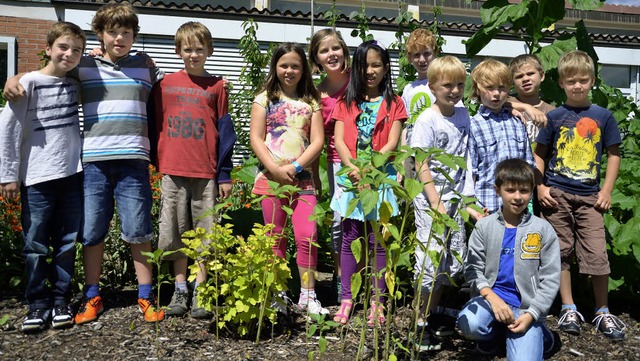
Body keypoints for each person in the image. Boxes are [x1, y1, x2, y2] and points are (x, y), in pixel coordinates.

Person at [3, 3, 167, 324]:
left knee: (138, 230)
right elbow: (50, 72)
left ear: (134, 35)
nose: (119, 37)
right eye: (112, 31)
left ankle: (145, 298)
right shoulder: (84, 65)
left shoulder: (147, 66)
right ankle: (92, 297)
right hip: (93, 162)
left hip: (134, 160)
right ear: (101, 34)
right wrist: (17, 76)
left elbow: (169, 94)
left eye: (126, 32)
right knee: (92, 232)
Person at [0, 22, 85, 333]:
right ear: (48, 49)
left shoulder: (76, 83)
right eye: (63, 47)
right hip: (36, 176)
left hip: (72, 174)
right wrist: (8, 174)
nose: (70, 54)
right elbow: (8, 130)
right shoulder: (28, 84)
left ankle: (61, 299)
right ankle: (37, 304)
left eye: (77, 50)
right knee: (35, 244)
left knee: (66, 242)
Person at [534, 50, 625, 340]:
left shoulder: (603, 116)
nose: (577, 86)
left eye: (583, 80)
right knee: (560, 252)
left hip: (590, 197)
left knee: (598, 253)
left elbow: (613, 155)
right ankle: (568, 307)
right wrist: (539, 187)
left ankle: (602, 310)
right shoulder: (554, 117)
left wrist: (607, 190)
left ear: (593, 81)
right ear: (561, 83)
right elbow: (540, 156)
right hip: (557, 195)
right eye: (571, 81)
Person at [151, 22, 235, 319]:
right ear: (178, 51)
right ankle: (180, 289)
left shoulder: (217, 86)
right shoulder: (164, 85)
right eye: (188, 49)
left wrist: (224, 172)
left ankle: (201, 289)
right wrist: (155, 159)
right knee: (174, 231)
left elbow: (226, 132)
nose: (194, 54)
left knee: (205, 233)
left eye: (200, 49)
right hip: (173, 169)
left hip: (205, 170)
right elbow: (152, 123)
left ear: (209, 51)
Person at [409, 56, 485, 351]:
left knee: (450, 262)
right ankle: (418, 325)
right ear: (432, 87)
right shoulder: (427, 120)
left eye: (459, 85)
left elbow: (465, 160)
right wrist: (435, 202)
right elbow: (421, 164)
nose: (454, 91)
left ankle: (431, 316)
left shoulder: (463, 115)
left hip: (455, 198)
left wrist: (467, 199)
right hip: (432, 200)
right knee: (429, 262)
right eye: (447, 85)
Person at [330, 40, 406, 326]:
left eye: (376, 65)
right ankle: (347, 298)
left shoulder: (395, 103)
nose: (370, 71)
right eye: (364, 66)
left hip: (380, 180)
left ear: (386, 68)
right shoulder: (345, 102)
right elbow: (339, 141)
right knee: (350, 239)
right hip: (352, 179)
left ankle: (377, 301)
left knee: (379, 242)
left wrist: (371, 170)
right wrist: (353, 167)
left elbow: (392, 143)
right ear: (356, 69)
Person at [249, 42, 327, 315]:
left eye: (295, 65)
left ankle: (307, 294)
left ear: (303, 68)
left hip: (302, 180)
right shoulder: (264, 100)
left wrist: (294, 167)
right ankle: (278, 293)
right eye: (284, 65)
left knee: (308, 236)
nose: (289, 71)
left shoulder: (311, 102)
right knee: (275, 238)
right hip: (270, 180)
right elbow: (256, 139)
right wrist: (274, 168)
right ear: (275, 68)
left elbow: (317, 142)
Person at [457, 158, 560, 360]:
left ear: (532, 192)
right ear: (498, 190)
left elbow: (551, 277)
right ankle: (493, 336)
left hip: (526, 307)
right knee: (469, 322)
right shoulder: (485, 226)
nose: (518, 197)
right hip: (492, 300)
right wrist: (492, 298)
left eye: (524, 191)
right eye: (510, 190)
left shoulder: (542, 229)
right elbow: (472, 268)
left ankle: (542, 335)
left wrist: (532, 313)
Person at [308, 28, 351, 302]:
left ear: (344, 50)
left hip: (368, 162)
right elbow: (315, 138)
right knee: (339, 222)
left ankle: (367, 283)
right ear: (317, 59)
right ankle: (341, 279)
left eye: (335, 48)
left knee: (366, 225)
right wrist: (316, 175)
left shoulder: (358, 80)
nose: (331, 54)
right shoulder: (317, 93)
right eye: (324, 51)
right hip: (336, 164)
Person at [468, 58, 536, 215]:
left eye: (502, 88)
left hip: (520, 206)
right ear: (477, 89)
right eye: (489, 88)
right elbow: (471, 170)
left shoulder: (517, 121)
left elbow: (528, 164)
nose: (496, 94)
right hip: (488, 205)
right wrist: (473, 205)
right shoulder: (474, 125)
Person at [399, 29, 438, 183]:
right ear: (410, 58)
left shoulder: (441, 85)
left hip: (434, 151)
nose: (422, 59)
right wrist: (402, 157)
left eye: (426, 53)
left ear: (434, 53)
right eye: (416, 55)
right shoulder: (409, 89)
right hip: (412, 151)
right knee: (411, 197)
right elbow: (405, 126)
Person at [508, 54, 556, 144]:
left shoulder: (551, 111)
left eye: (530, 74)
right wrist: (526, 107)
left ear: (541, 76)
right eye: (519, 76)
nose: (525, 79)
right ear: (512, 82)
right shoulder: (507, 102)